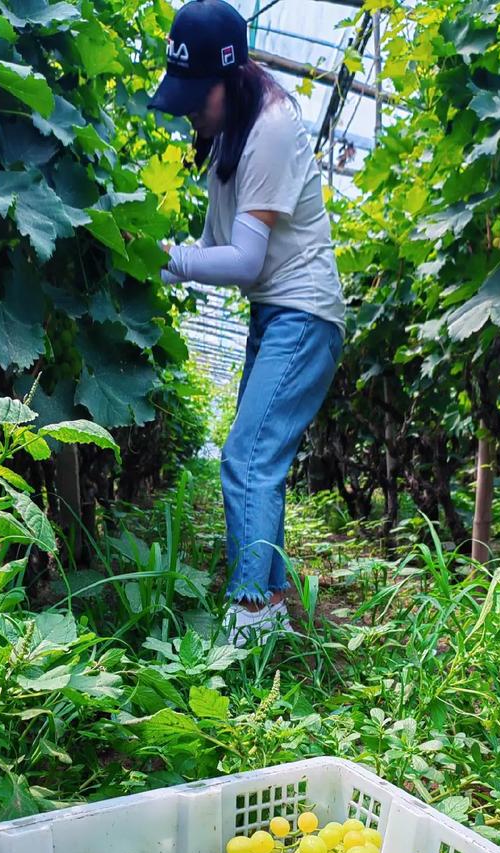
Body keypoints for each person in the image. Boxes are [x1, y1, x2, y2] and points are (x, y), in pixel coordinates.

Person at [149, 0, 346, 645]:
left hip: (303, 310)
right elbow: (213, 248)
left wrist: (166, 258)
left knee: (248, 455)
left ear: (227, 81)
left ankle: (251, 613)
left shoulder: (271, 127)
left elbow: (243, 260)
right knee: (259, 456)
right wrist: (150, 256)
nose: (188, 115)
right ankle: (276, 607)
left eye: (193, 99)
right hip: (277, 310)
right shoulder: (230, 134)